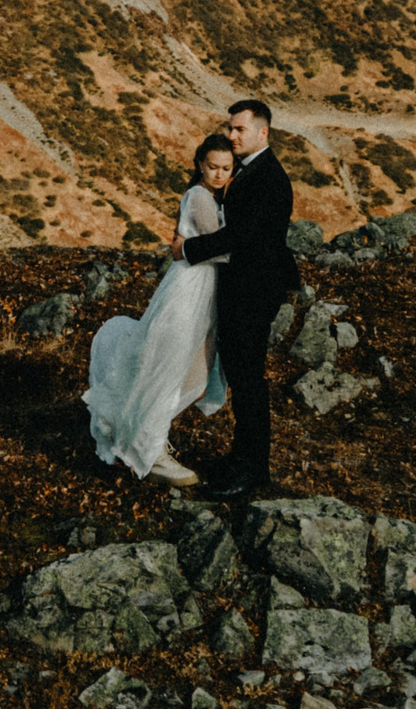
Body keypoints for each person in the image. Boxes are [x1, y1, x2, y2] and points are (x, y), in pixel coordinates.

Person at [84, 135, 236, 486]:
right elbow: (223, 248)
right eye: (212, 167)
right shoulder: (199, 196)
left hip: (202, 289)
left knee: (192, 372)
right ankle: (149, 447)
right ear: (200, 165)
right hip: (189, 290)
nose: (219, 174)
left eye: (226, 168)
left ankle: (143, 432)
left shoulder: (212, 196)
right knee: (171, 367)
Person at [173, 98, 297, 502]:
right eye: (230, 127)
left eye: (240, 129)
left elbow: (240, 236)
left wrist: (187, 249)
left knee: (248, 381)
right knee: (242, 378)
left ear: (263, 132)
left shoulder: (269, 178)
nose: (231, 135)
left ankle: (252, 468)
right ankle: (243, 457)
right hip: (243, 289)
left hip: (254, 293)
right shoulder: (248, 169)